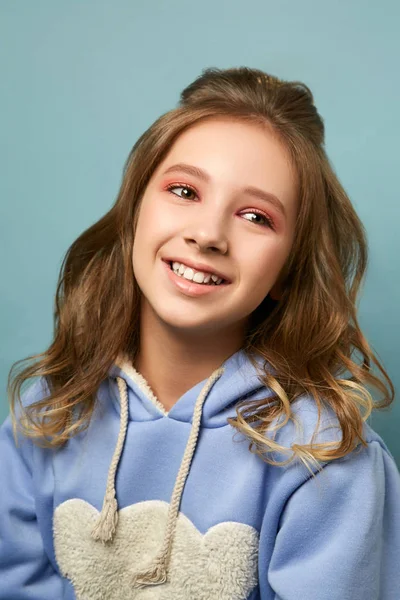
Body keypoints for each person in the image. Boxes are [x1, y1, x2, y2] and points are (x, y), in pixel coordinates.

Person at [0, 66, 399, 600]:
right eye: (184, 190)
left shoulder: (323, 454)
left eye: (256, 217)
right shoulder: (46, 414)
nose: (208, 235)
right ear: (135, 212)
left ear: (287, 271)